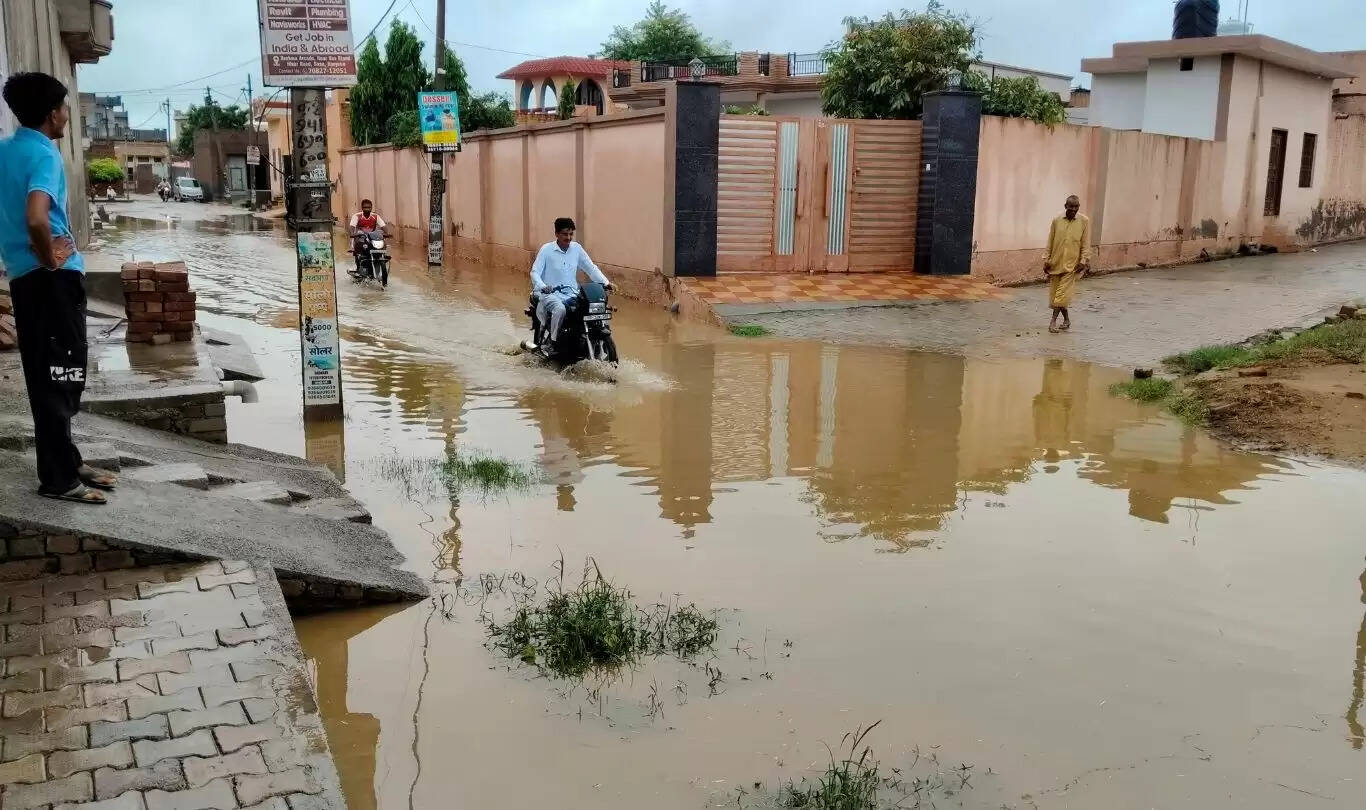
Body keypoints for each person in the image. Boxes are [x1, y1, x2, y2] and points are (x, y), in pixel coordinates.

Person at [0, 72, 115, 504]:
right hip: (51, 281)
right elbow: (36, 215)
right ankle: (58, 479)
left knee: (46, 370)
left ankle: (67, 461)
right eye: (65, 108)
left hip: (23, 278)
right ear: (52, 114)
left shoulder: (5, 150)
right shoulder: (44, 154)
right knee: (62, 372)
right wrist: (50, 256)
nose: (67, 115)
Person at [529, 217, 610, 357]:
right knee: (560, 309)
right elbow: (535, 272)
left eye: (571, 234)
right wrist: (543, 286)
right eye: (565, 234)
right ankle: (553, 343)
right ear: (557, 234)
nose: (568, 237)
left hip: (572, 293)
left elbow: (590, 268)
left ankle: (594, 342)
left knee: (595, 308)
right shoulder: (546, 250)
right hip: (549, 294)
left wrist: (606, 283)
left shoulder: (576, 248)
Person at [1042, 195, 1092, 334]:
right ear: (1066, 206)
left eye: (1076, 207)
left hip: (1072, 265)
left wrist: (1083, 261)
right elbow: (1050, 240)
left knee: (1061, 294)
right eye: (1071, 207)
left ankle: (1053, 322)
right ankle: (1067, 320)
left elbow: (1085, 243)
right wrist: (1046, 259)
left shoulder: (1084, 221)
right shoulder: (1056, 220)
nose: (1074, 209)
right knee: (1055, 295)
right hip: (1055, 263)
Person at [348, 198, 390, 274]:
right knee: (358, 249)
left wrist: (386, 233)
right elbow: (352, 227)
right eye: (365, 207)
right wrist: (352, 233)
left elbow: (383, 226)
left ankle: (381, 258)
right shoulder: (357, 216)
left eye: (369, 207)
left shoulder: (375, 216)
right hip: (360, 237)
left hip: (372, 238)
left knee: (382, 244)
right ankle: (359, 267)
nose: (367, 209)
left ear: (371, 208)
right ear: (362, 208)